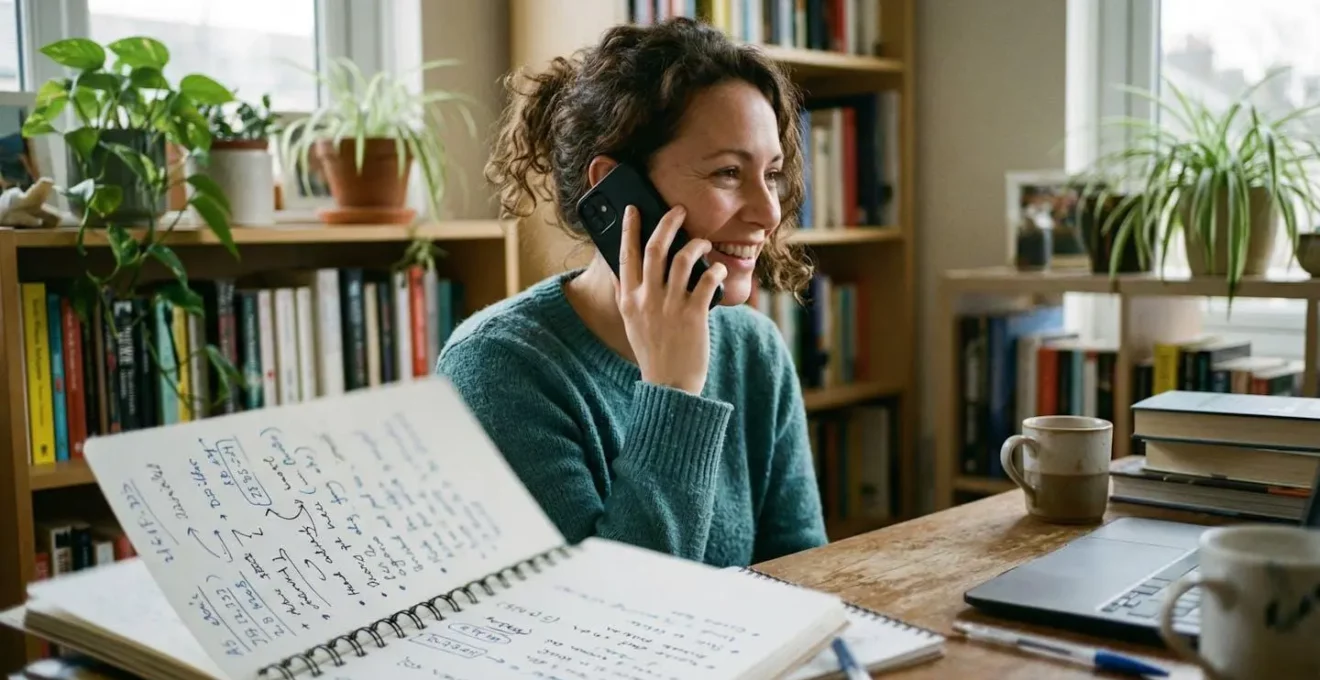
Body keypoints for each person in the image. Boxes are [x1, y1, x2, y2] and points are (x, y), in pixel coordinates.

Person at [437, 17, 825, 567]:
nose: (768, 212)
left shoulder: (754, 348)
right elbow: (608, 619)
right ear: (617, 189)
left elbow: (805, 575)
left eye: (773, 173)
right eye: (728, 174)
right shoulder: (497, 368)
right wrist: (673, 391)